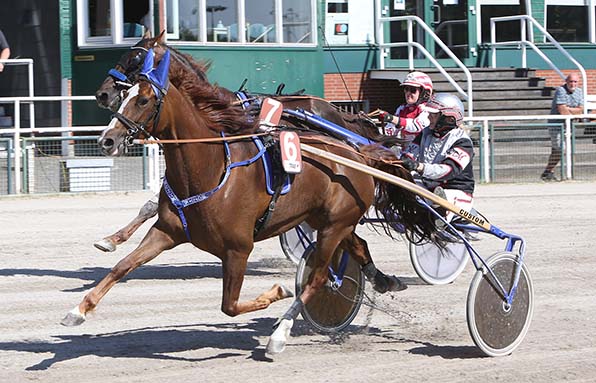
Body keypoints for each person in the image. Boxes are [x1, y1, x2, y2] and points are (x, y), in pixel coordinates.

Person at [400, 93, 475, 222]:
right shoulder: (425, 133)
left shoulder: (463, 142)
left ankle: (439, 216)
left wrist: (419, 167)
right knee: (401, 186)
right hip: (429, 187)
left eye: (433, 114)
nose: (428, 117)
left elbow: (448, 171)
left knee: (442, 196)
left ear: (449, 118)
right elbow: (409, 155)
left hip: (457, 193)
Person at [542, 73, 584, 182]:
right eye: (571, 81)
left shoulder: (579, 91)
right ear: (567, 81)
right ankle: (550, 172)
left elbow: (580, 109)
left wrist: (569, 109)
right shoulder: (560, 90)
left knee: (559, 150)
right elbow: (561, 110)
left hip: (568, 125)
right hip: (556, 125)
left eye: (575, 82)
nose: (573, 84)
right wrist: (572, 111)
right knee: (560, 148)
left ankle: (548, 172)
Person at [378, 71, 434, 144]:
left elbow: (415, 126)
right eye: (406, 89)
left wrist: (391, 118)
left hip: (422, 150)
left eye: (413, 90)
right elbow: (391, 130)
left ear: (425, 93)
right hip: (406, 150)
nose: (408, 93)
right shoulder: (402, 108)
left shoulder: (428, 109)